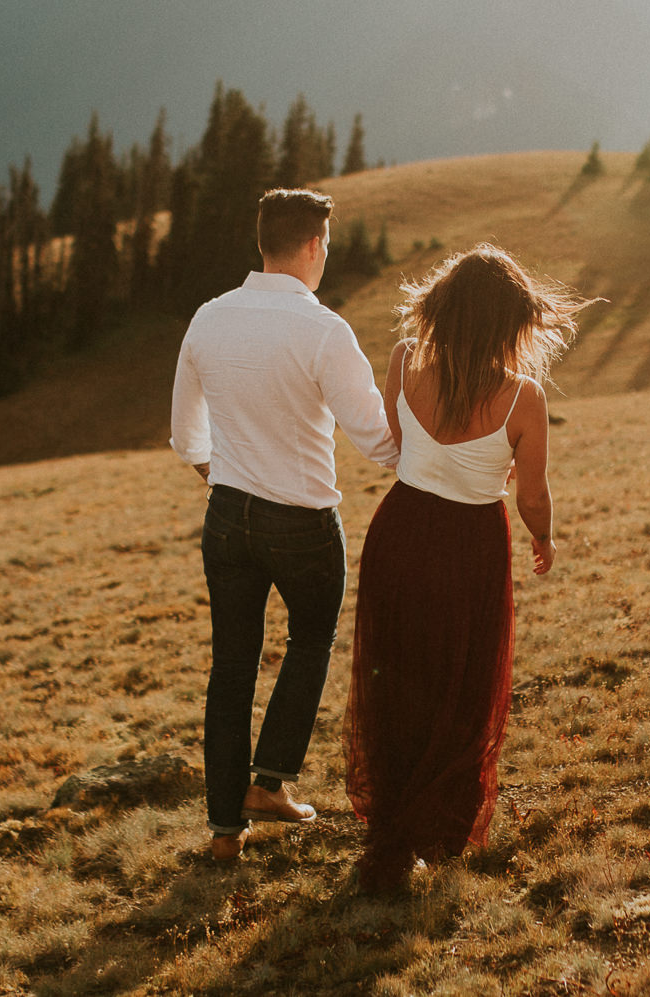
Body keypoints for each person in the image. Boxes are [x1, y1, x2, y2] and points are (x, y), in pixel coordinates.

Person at [343, 243, 590, 890]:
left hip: (399, 531)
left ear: (443, 307)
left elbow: (400, 444)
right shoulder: (522, 397)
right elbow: (532, 494)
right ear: (511, 322)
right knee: (462, 683)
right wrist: (544, 537)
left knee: (395, 677)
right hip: (469, 544)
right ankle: (443, 831)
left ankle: (390, 834)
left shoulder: (403, 359)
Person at [169, 188, 401, 862]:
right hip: (302, 521)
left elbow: (187, 435)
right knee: (311, 640)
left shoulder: (208, 318)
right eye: (325, 245)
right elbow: (378, 441)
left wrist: (227, 476)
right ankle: (269, 781)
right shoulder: (324, 329)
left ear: (262, 241)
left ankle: (223, 831)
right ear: (312, 246)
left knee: (231, 667)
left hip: (226, 516)